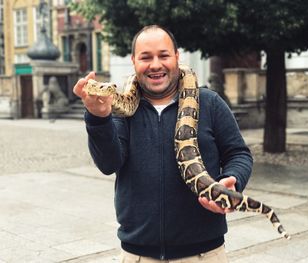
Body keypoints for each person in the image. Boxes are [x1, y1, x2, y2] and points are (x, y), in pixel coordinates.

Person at [73, 25, 253, 262]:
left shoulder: (209, 102)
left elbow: (239, 153)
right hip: (138, 254)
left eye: (164, 55)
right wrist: (98, 118)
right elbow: (108, 164)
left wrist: (233, 178)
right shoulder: (122, 111)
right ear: (134, 62)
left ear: (177, 58)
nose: (155, 64)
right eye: (145, 57)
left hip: (204, 254)